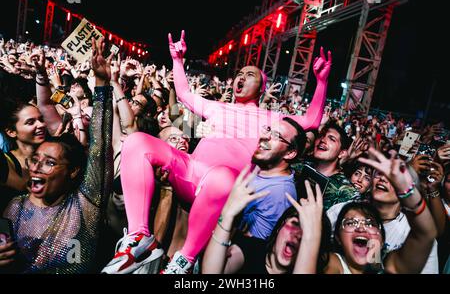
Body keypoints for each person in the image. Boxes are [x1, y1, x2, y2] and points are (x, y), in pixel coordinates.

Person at [102, 31, 332, 274]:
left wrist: (322, 82)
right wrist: (178, 61)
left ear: (262, 87)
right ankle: (139, 238)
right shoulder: (219, 107)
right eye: (239, 74)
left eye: (250, 74)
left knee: (223, 177)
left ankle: (183, 261)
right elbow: (184, 95)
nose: (241, 77)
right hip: (189, 171)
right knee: (137, 142)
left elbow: (311, 120)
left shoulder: (273, 119)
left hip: (219, 187)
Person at [0, 38, 114, 273]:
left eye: (50, 163)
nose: (37, 167)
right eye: (36, 160)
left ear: (72, 171)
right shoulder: (15, 207)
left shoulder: (85, 203)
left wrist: (102, 84)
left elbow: (99, 148)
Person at [202, 166, 330, 274]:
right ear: (280, 227)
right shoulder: (253, 248)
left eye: (306, 232)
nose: (298, 235)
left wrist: (311, 238)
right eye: (295, 224)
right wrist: (227, 216)